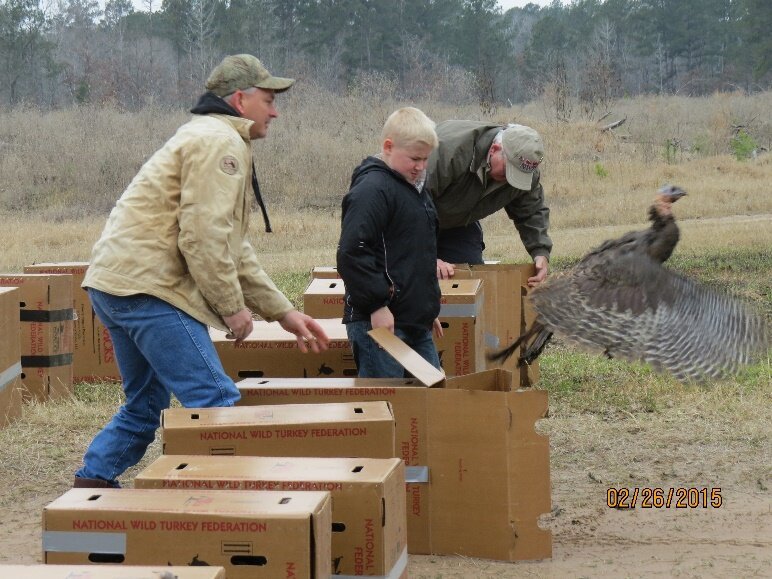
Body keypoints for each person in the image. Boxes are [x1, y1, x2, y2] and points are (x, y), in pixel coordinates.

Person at [74, 54, 329, 488]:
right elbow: (204, 238)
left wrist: (283, 313)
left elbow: (233, 246)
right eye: (268, 99)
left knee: (144, 403)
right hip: (151, 290)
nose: (275, 110)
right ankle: (223, 501)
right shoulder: (219, 143)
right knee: (214, 401)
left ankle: (93, 482)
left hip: (115, 284)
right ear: (239, 99)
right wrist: (231, 307)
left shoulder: (208, 135)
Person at [337, 107, 443, 377]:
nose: (420, 167)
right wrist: (377, 306)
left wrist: (426, 308)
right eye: (414, 159)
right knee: (387, 409)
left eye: (426, 159)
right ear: (388, 147)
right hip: (381, 322)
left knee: (431, 407)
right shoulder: (372, 190)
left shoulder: (416, 190)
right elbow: (353, 252)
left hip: (415, 323)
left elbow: (416, 254)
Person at [425, 121, 552, 287]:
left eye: (518, 175)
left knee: (469, 281)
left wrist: (540, 252)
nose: (510, 179)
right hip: (409, 221)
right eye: (508, 170)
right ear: (495, 149)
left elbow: (531, 210)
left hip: (457, 222)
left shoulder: (525, 170)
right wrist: (425, 257)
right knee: (414, 279)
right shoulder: (447, 151)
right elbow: (408, 204)